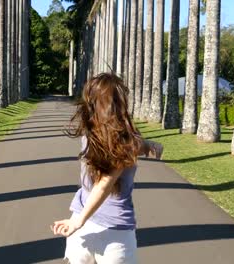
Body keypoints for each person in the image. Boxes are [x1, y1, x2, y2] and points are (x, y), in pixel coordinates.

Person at [52, 73, 163, 263]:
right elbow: (104, 184)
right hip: (114, 234)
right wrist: (78, 222)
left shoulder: (90, 133)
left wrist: (148, 144)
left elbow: (132, 144)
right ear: (119, 104)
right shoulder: (125, 139)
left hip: (81, 228)